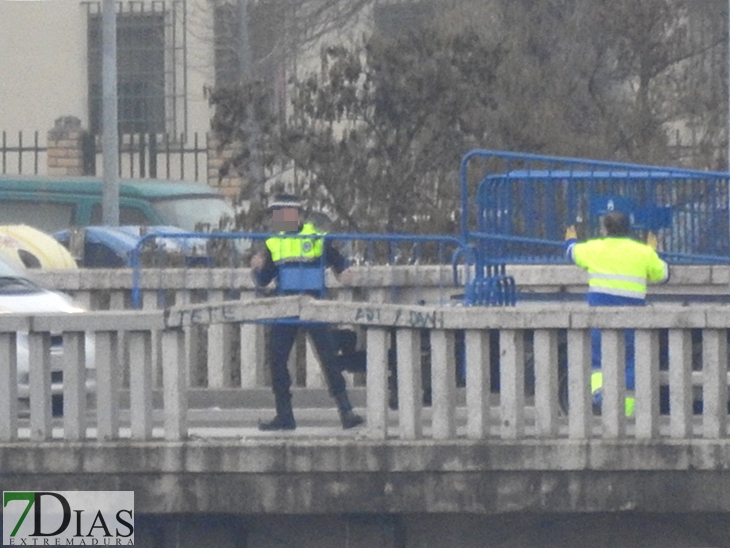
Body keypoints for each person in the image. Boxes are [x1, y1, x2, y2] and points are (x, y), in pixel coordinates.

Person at [250, 193, 364, 430]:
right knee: (277, 360)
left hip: (313, 304)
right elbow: (264, 280)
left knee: (328, 358)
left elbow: (337, 262)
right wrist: (257, 269)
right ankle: (284, 416)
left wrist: (345, 274)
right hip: (286, 306)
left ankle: (346, 411)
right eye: (276, 215)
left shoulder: (317, 237)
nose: (278, 219)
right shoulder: (273, 242)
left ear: (298, 215)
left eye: (283, 214)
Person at [565, 211, 669, 415]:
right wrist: (652, 252)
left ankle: (600, 400)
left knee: (598, 363)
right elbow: (663, 275)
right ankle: (627, 412)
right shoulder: (642, 253)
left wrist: (570, 238)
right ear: (629, 230)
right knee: (630, 363)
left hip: (599, 320)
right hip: (633, 321)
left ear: (604, 229)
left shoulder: (594, 249)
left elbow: (571, 253)